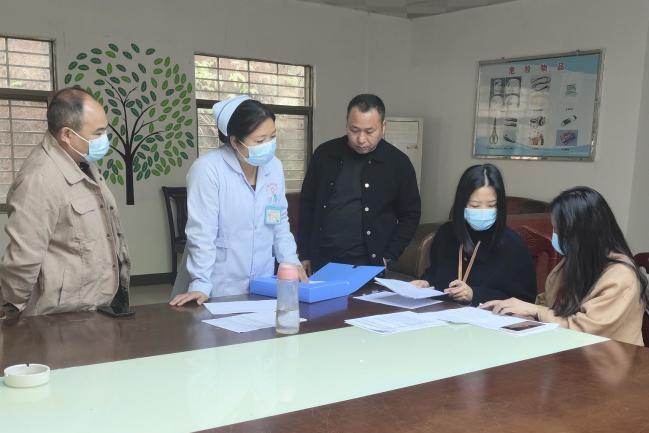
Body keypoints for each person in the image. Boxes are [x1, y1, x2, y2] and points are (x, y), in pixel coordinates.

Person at [0, 86, 131, 316]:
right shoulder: (39, 179)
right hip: (63, 317)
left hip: (98, 306)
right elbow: (23, 259)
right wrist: (12, 314)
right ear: (67, 135)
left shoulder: (83, 161)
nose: (104, 139)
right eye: (98, 133)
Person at [170, 96, 306, 306]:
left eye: (272, 137)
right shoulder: (208, 169)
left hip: (263, 282)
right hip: (220, 285)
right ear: (234, 141)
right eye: (260, 141)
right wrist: (201, 283)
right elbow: (202, 233)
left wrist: (290, 261)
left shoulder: (274, 167)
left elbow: (279, 221)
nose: (268, 146)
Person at [481, 187, 647, 346]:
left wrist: (535, 310)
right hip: (566, 350)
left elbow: (586, 330)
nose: (555, 236)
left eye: (559, 230)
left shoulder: (621, 276)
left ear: (583, 233)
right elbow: (551, 307)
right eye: (554, 229)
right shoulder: (573, 261)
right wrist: (518, 313)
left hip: (609, 360)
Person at [298, 94, 420, 273]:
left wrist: (390, 255)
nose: (361, 139)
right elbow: (307, 204)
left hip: (369, 263)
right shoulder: (325, 154)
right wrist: (304, 253)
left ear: (383, 127)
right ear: (346, 123)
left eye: (369, 131)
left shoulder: (398, 163)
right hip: (322, 259)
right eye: (354, 130)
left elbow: (411, 214)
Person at [411, 164, 536, 305]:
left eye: (491, 205)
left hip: (486, 316)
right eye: (475, 205)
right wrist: (425, 283)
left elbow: (525, 300)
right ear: (461, 204)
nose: (483, 211)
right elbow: (435, 273)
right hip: (440, 311)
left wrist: (475, 294)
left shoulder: (513, 245)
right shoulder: (446, 234)